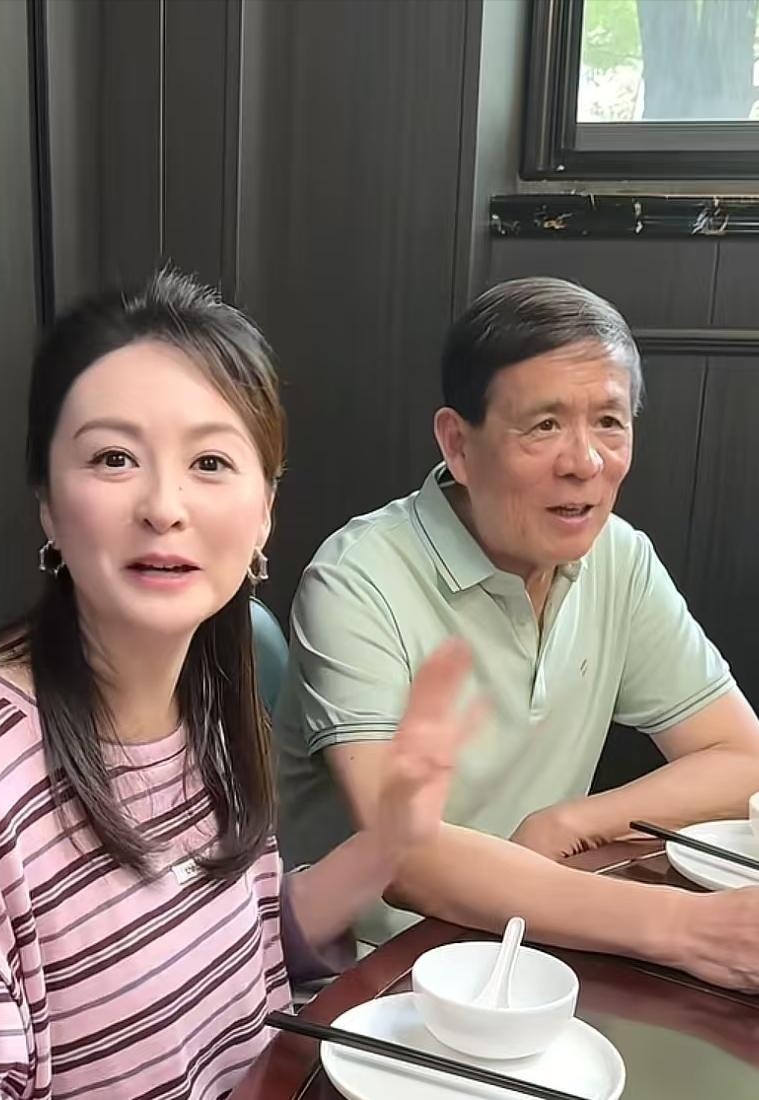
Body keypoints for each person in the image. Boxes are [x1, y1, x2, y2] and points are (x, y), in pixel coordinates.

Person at [0, 269, 479, 1099]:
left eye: (209, 461)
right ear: (48, 504)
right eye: (113, 458)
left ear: (264, 510)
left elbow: (233, 956)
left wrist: (389, 843)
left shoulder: (207, 688)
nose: (164, 506)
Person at [274, 276, 759, 990]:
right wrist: (684, 928)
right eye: (543, 426)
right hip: (369, 977)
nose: (584, 462)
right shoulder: (357, 580)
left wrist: (574, 822)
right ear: (458, 444)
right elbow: (404, 858)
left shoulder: (618, 558)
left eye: (609, 422)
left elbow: (740, 755)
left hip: (533, 950)